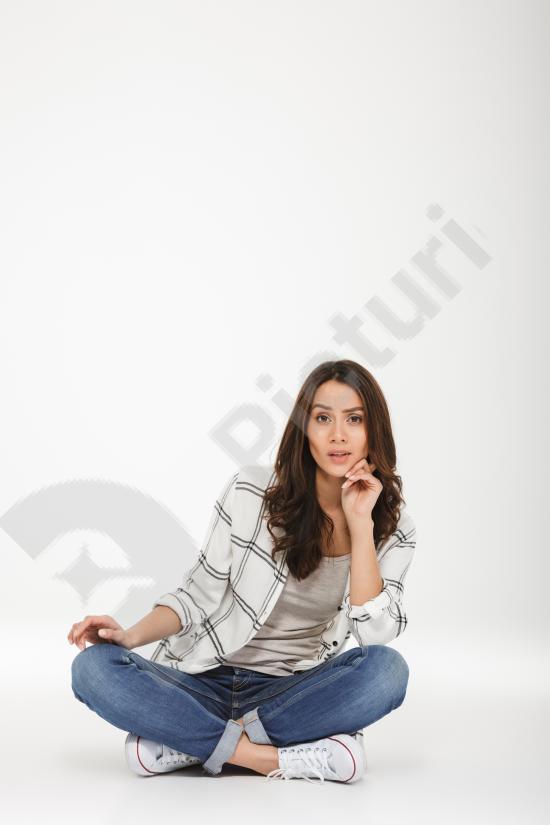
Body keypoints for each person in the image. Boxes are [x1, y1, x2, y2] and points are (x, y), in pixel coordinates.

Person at [68, 359, 416, 784]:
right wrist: (129, 637)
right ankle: (270, 758)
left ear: (373, 430)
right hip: (204, 681)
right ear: (304, 428)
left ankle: (185, 743)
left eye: (354, 419)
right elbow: (196, 594)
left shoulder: (393, 528)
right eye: (322, 418)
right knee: (92, 668)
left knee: (388, 671)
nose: (338, 435)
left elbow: (375, 635)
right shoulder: (251, 491)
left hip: (290, 692)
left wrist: (361, 525)